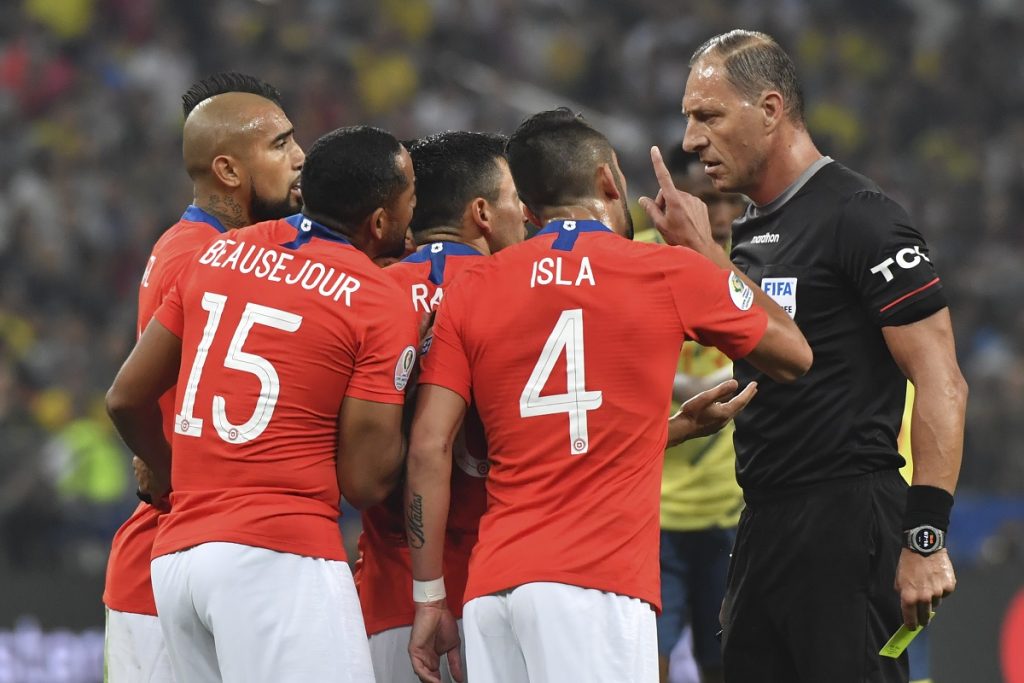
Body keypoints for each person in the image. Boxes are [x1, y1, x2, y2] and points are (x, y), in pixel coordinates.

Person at [404, 108, 812, 683]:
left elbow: (429, 446)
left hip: (493, 592)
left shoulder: (473, 286)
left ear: (527, 208)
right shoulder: (664, 271)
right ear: (607, 180)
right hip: (596, 585)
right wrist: (704, 247)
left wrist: (428, 598)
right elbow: (793, 353)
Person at [640, 29, 968, 683]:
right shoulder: (751, 231)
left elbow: (943, 382)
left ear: (769, 109)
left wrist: (925, 538)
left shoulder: (863, 216)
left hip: (849, 520)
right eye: (688, 119)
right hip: (762, 522)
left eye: (708, 116)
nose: (691, 140)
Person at [105, 125, 419, 683]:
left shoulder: (221, 252)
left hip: (178, 562)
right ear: (379, 222)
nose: (415, 214)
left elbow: (125, 397)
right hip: (279, 557)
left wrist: (173, 474)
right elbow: (365, 483)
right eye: (410, 199)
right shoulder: (378, 300)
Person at [102, 72, 303, 683]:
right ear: (228, 170)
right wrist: (168, 473)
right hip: (168, 565)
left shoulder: (207, 248)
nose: (301, 158)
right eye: (281, 145)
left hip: (197, 554)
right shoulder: (202, 259)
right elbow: (133, 401)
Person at [355, 131, 527, 683]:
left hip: (390, 601)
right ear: (481, 213)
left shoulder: (366, 293)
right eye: (514, 197)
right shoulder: (526, 294)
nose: (526, 213)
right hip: (503, 595)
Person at [643, 149, 747, 683]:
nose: (722, 215)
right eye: (706, 200)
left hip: (730, 506)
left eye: (731, 200)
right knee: (648, 661)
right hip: (651, 508)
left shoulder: (751, 261)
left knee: (724, 660)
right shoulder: (635, 259)